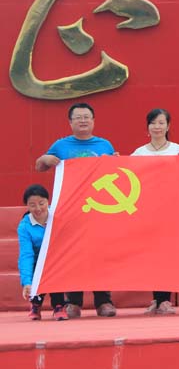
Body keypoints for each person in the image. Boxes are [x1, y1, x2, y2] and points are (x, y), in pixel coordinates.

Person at [35, 102, 117, 318]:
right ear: (70, 122)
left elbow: (115, 172)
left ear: (93, 121)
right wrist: (46, 159)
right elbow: (39, 166)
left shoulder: (105, 145)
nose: (83, 120)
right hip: (71, 210)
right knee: (73, 254)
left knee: (100, 255)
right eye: (78, 117)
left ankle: (103, 301)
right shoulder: (61, 145)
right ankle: (74, 302)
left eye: (86, 117)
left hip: (99, 208)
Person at [131, 108, 179, 315]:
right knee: (151, 256)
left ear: (168, 126)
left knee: (168, 255)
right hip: (147, 211)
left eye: (161, 123)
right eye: (153, 123)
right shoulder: (139, 154)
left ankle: (165, 300)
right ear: (147, 127)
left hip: (172, 210)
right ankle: (156, 299)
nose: (157, 127)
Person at [17, 184, 67, 321]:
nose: (38, 209)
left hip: (58, 257)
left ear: (48, 201)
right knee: (37, 269)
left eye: (41, 203)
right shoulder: (24, 226)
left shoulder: (58, 216)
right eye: (32, 205)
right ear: (27, 206)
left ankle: (59, 305)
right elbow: (26, 255)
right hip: (37, 259)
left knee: (56, 267)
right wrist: (27, 282)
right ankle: (36, 304)